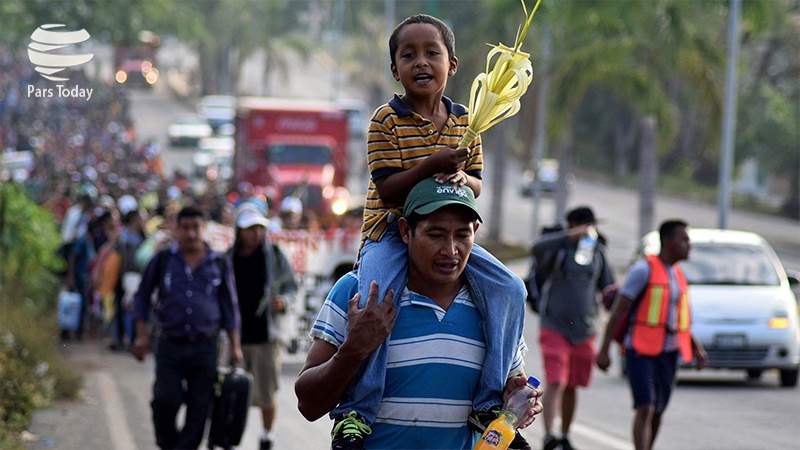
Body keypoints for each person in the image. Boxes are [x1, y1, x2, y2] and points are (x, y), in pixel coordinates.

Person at [343, 14, 528, 449]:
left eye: (432, 53)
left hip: (443, 229)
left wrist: (466, 180)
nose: (420, 62)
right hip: (389, 231)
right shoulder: (385, 121)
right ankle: (356, 411)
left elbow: (477, 181)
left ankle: (488, 403)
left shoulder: (468, 121)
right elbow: (387, 188)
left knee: (511, 288)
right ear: (395, 70)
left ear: (453, 65)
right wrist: (433, 165)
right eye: (408, 55)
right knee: (376, 299)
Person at [296, 178, 542, 449]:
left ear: (476, 231)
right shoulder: (360, 293)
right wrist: (354, 349)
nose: (450, 251)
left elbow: (509, 391)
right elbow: (309, 405)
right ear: (405, 231)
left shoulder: (496, 305)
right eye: (435, 235)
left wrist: (514, 401)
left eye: (462, 235)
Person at [131, 206, 242, 450]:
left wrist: (235, 346)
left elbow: (229, 306)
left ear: (204, 229)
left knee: (199, 407)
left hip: (205, 347)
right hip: (170, 344)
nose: (191, 234)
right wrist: (140, 336)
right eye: (185, 228)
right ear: (176, 228)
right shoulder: (163, 260)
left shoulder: (219, 263)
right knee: (165, 399)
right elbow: (141, 296)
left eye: (196, 228)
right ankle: (168, 443)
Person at [596, 220, 708, 450]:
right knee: (645, 407)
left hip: (668, 351)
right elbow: (619, 310)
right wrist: (604, 350)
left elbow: (677, 319)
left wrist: (696, 347)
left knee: (658, 410)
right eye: (684, 239)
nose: (689, 245)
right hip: (640, 349)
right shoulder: (643, 270)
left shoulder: (677, 274)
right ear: (666, 241)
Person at [532, 207, 615, 450]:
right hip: (554, 325)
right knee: (556, 380)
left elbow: (607, 286)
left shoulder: (597, 252)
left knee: (573, 385)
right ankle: (549, 435)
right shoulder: (558, 248)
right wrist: (569, 236)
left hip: (585, 330)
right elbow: (536, 249)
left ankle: (565, 435)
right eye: (584, 225)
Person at [228, 204, 298, 450]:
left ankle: (267, 435)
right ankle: (232, 438)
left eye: (259, 227)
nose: (256, 233)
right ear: (239, 230)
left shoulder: (276, 255)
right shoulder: (227, 258)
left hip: (266, 337)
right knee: (233, 393)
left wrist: (283, 301)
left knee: (267, 393)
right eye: (250, 228)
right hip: (235, 337)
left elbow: (292, 286)